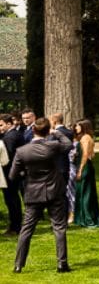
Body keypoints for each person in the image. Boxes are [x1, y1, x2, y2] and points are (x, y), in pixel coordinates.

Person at [9, 117, 74, 273]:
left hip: (33, 191)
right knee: (59, 227)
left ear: (33, 130)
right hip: (54, 190)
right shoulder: (52, 146)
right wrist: (56, 133)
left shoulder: (22, 151)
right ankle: (62, 263)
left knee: (27, 229)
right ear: (47, 131)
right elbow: (68, 144)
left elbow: (13, 175)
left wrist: (26, 173)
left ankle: (19, 264)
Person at [73, 119, 99, 228]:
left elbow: (86, 155)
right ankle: (84, 217)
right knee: (84, 191)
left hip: (85, 166)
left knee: (84, 192)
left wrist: (80, 169)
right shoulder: (85, 137)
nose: (76, 128)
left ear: (84, 127)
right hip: (85, 166)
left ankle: (87, 218)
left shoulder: (85, 138)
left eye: (78, 126)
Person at [1, 113, 23, 234]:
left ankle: (15, 226)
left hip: (10, 172)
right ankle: (15, 225)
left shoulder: (11, 136)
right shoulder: (10, 135)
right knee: (11, 199)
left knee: (12, 199)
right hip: (12, 171)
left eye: (1, 125)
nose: (0, 128)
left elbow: (8, 155)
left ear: (9, 124)